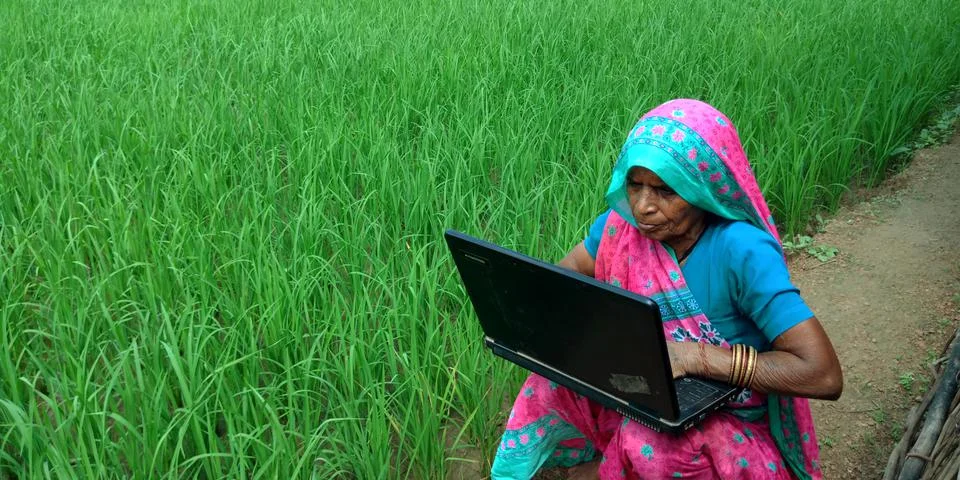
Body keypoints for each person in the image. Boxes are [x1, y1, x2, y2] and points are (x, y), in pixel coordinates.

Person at [490, 99, 843, 480]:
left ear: (703, 188)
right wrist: (533, 306)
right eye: (635, 185)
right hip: (644, 385)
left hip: (726, 416)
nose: (643, 206)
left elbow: (822, 374)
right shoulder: (620, 227)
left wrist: (695, 358)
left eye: (665, 191)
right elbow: (574, 269)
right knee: (546, 381)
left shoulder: (741, 250)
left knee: (653, 446)